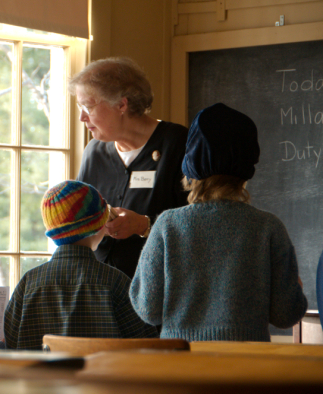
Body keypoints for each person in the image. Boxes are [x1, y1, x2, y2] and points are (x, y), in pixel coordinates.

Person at [130, 103, 307, 342]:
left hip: (183, 364)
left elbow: (148, 309)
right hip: (247, 366)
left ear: (191, 165)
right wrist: (295, 290)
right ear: (247, 166)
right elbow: (286, 315)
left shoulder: (168, 225)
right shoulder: (268, 227)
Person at [3, 180, 158, 350]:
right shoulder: (116, 282)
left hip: (39, 377)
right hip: (103, 376)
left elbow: (11, 344)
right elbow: (148, 347)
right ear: (99, 224)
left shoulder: (27, 285)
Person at [70, 57, 188, 278]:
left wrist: (144, 226)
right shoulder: (94, 152)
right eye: (80, 107)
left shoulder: (180, 144)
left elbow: (202, 226)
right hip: (101, 292)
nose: (81, 117)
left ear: (121, 105)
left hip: (158, 290)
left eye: (88, 106)